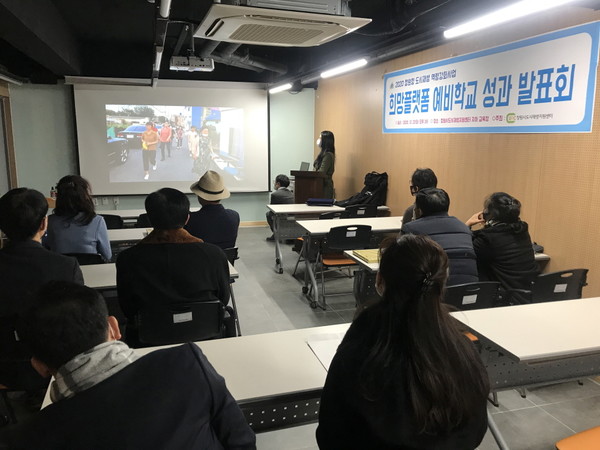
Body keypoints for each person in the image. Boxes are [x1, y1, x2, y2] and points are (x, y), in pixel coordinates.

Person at [0, 281, 256, 449]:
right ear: (114, 327)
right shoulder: (185, 362)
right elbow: (241, 440)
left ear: (39, 366)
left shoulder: (28, 439)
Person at [316, 235, 489, 449]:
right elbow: (476, 429)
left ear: (380, 280)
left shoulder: (359, 350)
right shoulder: (463, 349)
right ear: (442, 284)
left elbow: (330, 433)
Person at [117, 187, 232, 345]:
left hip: (150, 340)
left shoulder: (127, 259)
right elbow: (223, 298)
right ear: (187, 219)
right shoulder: (214, 254)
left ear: (149, 219)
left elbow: (127, 308)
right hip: (205, 335)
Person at [0, 188, 83, 388]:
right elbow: (79, 320)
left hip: (5, 364)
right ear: (44, 223)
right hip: (54, 363)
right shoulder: (66, 266)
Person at [466, 192, 539, 299]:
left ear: (487, 213)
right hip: (529, 293)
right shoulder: (522, 229)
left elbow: (466, 247)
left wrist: (467, 225)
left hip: (506, 296)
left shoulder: (487, 238)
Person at [401, 188, 478, 286]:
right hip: (469, 291)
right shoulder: (464, 228)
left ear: (418, 210)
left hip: (434, 293)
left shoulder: (411, 229)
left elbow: (401, 263)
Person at [44, 175, 111, 262]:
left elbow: (46, 249)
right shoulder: (97, 221)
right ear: (85, 195)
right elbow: (107, 255)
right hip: (91, 272)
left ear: (59, 196)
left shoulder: (50, 221)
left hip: (59, 272)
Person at [185, 170, 240, 250]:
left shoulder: (190, 220)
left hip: (200, 261)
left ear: (200, 196)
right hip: (225, 261)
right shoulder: (234, 216)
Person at [266, 174, 294, 241]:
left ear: (278, 184)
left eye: (275, 182)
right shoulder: (292, 193)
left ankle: (276, 234)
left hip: (283, 218)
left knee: (268, 214)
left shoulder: (275, 194)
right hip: (293, 217)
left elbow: (272, 211)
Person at [314, 130, 335, 199]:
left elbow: (321, 172)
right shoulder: (322, 154)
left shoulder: (328, 155)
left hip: (324, 187)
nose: (318, 140)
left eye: (320, 138)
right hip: (320, 185)